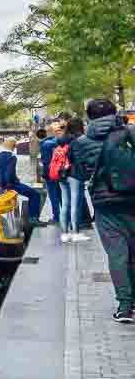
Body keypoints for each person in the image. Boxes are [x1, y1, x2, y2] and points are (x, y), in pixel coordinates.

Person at [71, 98, 135, 323]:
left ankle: (125, 306)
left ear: (89, 117)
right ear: (115, 111)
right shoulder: (129, 132)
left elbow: (78, 174)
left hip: (105, 204)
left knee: (118, 255)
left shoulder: (80, 142)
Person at [0, 138, 43, 223]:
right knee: (35, 194)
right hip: (11, 184)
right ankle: (33, 218)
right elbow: (9, 173)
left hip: (1, 184)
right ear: (14, 146)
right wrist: (14, 181)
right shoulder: (12, 157)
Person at [57, 118, 91, 243]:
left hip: (62, 174)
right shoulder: (78, 140)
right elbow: (78, 159)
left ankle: (64, 234)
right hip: (75, 175)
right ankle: (76, 233)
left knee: (65, 204)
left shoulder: (61, 139)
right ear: (79, 127)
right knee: (75, 205)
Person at [40, 122, 62, 226]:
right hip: (63, 172)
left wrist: (44, 175)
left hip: (51, 173)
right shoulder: (65, 142)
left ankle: (56, 217)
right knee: (63, 195)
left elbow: (45, 162)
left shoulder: (46, 144)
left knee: (53, 196)